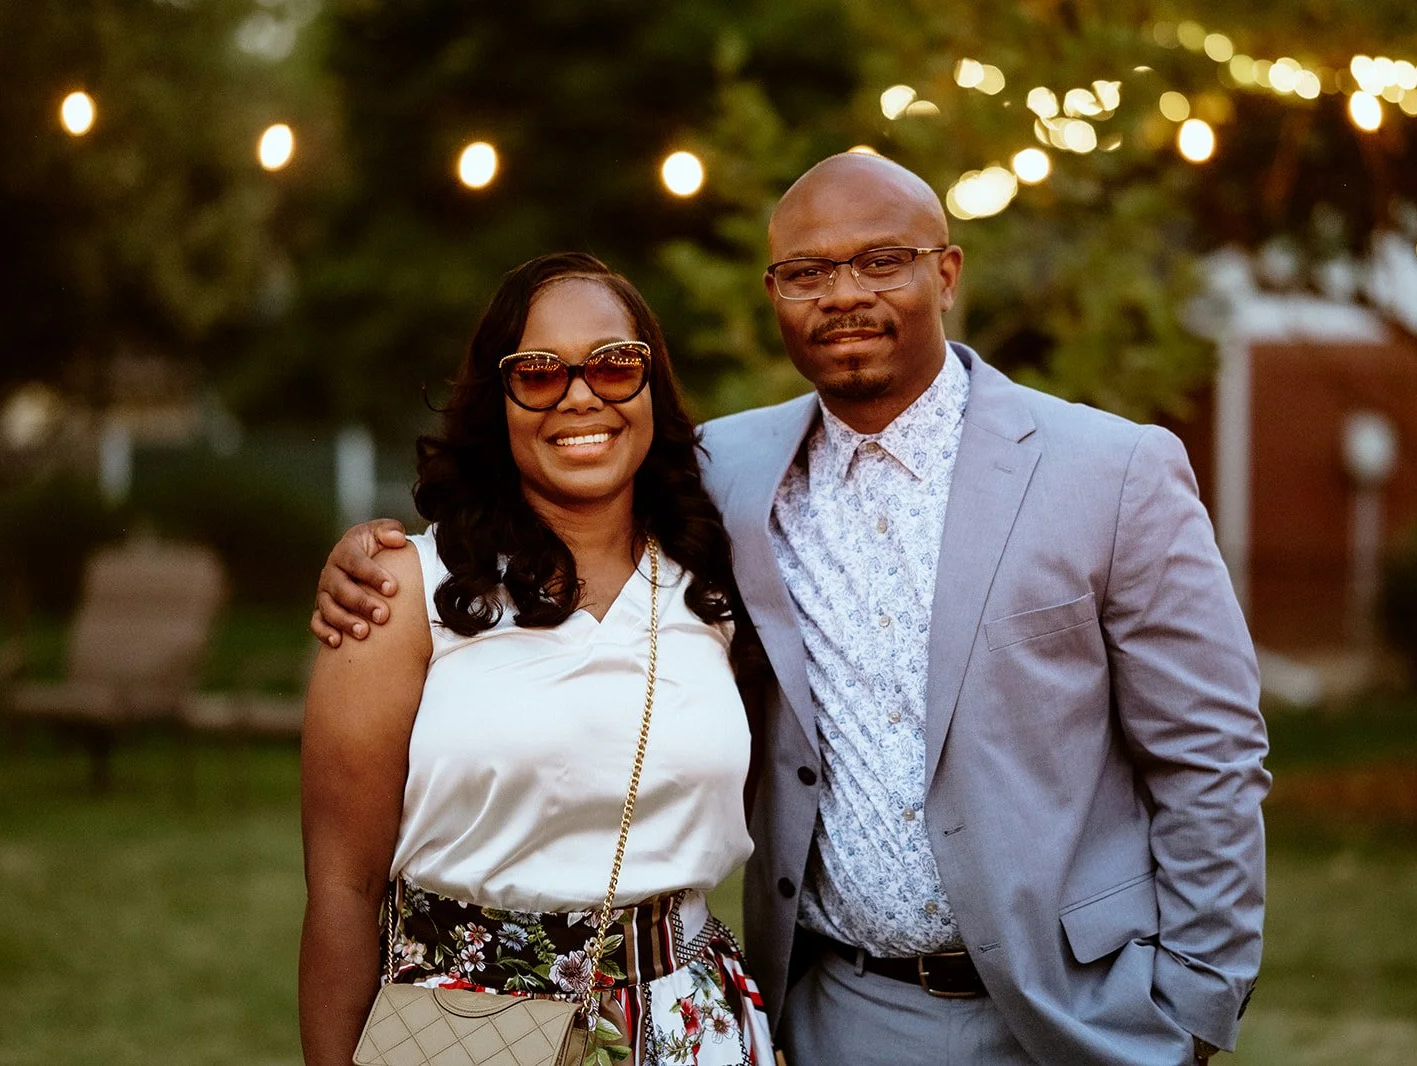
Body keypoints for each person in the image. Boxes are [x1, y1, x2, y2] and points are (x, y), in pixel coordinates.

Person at [313, 154, 1270, 1066]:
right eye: (808, 270)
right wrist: (366, 557)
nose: (845, 293)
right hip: (838, 1010)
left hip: (1079, 1015)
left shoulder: (1111, 472)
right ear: (775, 294)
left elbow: (1212, 755)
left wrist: (1190, 1006)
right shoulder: (732, 480)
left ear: (947, 274)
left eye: (882, 261)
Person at [298, 252, 776, 1066]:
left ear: (653, 386)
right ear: (499, 400)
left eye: (615, 365)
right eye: (540, 373)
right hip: (461, 1030)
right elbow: (344, 889)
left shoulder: (721, 590)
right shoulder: (402, 592)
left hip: (691, 1028)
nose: (582, 394)